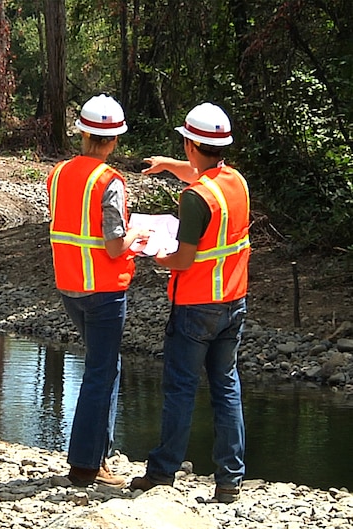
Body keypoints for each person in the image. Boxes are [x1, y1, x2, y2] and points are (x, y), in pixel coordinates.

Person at [129, 102, 250, 504]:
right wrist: (169, 164)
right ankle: (230, 478)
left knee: (181, 388)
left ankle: (163, 472)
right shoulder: (236, 182)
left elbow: (183, 258)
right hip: (234, 302)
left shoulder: (195, 198)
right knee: (226, 387)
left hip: (197, 305)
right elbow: (207, 178)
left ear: (191, 144)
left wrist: (152, 252)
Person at [47, 94, 150, 488]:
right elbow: (113, 244)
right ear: (114, 140)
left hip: (69, 285)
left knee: (105, 367)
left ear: (84, 134)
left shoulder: (58, 173)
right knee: (99, 372)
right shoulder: (109, 181)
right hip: (103, 290)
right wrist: (138, 233)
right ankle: (86, 465)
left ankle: (97, 455)